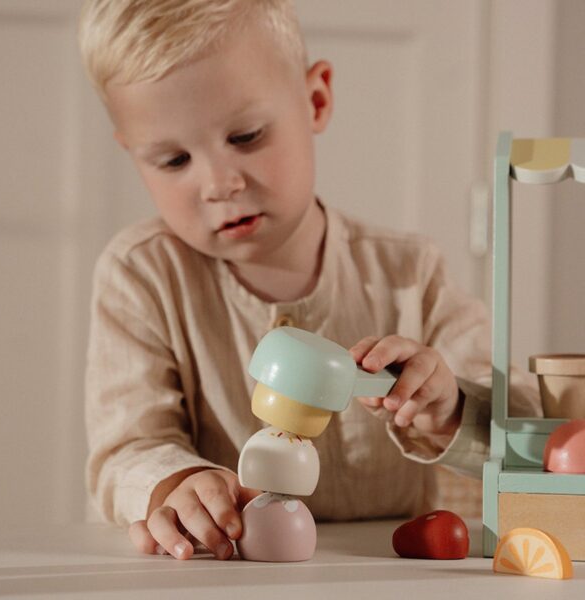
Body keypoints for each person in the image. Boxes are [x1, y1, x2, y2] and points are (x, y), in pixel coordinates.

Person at [78, 0, 541, 562]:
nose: (219, 183)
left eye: (246, 136)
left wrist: (445, 409)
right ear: (133, 156)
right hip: (218, 577)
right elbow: (127, 447)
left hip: (383, 572)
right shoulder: (141, 275)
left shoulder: (409, 273)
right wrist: (176, 484)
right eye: (173, 160)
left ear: (316, 99)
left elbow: (526, 428)